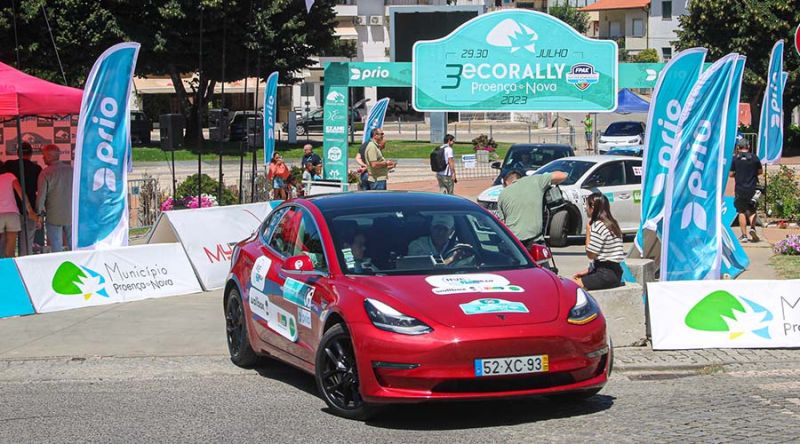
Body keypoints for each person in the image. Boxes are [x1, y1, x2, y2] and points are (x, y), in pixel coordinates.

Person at [497, 169, 567, 248]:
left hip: (514, 243)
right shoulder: (535, 181)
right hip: (535, 240)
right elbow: (563, 175)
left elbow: (502, 223)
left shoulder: (502, 194)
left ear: (506, 182)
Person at [573, 192, 625, 290]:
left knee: (571, 284)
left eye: (586, 205)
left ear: (592, 207)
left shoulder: (598, 225)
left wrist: (588, 231)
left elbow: (591, 254)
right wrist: (589, 270)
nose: (585, 208)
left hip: (605, 275)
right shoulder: (613, 224)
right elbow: (608, 256)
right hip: (615, 272)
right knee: (579, 280)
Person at [36, 145, 73, 252]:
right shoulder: (71, 170)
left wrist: (38, 213)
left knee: (56, 247)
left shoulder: (46, 173)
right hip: (71, 214)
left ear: (49, 156)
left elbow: (41, 196)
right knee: (73, 245)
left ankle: (59, 262)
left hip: (54, 215)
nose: (43, 158)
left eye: (44, 155)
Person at [0, 163, 38, 258]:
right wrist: (30, 211)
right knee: (10, 251)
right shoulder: (10, 176)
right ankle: (10, 266)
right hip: (12, 215)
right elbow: (22, 194)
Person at [729, 137, 762, 242]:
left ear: (738, 147)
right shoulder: (754, 158)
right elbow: (760, 171)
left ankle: (744, 236)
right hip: (752, 188)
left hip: (740, 189)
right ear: (748, 146)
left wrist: (738, 174)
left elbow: (731, 174)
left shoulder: (735, 159)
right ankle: (752, 228)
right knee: (752, 210)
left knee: (741, 211)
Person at [11, 142, 42, 255]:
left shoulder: (8, 166)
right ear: (31, 154)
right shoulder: (37, 168)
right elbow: (41, 191)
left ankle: (7, 265)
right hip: (30, 211)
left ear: (17, 153)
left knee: (7, 245)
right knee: (27, 244)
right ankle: (24, 264)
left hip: (11, 210)